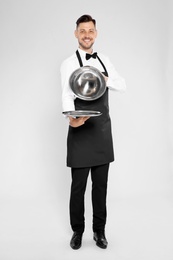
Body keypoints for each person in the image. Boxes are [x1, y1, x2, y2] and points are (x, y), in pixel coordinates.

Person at [60, 14, 126, 250]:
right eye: (82, 31)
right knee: (78, 187)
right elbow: (66, 95)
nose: (87, 35)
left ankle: (99, 231)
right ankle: (77, 231)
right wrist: (72, 120)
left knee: (101, 186)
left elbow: (122, 84)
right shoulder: (68, 63)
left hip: (101, 131)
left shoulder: (105, 59)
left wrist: (105, 78)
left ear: (95, 34)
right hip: (80, 128)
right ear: (76, 33)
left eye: (91, 31)